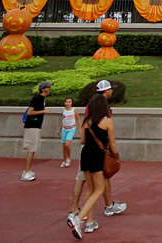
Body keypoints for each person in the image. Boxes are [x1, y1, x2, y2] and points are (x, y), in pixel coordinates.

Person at [70, 80, 126, 222]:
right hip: (97, 152)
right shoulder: (104, 117)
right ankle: (77, 215)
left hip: (87, 151)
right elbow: (111, 141)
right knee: (96, 188)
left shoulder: (88, 117)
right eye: (110, 90)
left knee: (91, 188)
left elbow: (82, 138)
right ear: (105, 91)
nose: (112, 92)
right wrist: (115, 154)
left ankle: (89, 219)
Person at [21, 80, 52, 181]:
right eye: (48, 87)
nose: (49, 89)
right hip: (32, 126)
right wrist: (44, 111)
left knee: (33, 149)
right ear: (43, 89)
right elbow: (30, 112)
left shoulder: (42, 99)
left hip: (36, 126)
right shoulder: (37, 98)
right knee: (31, 149)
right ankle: (25, 172)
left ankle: (27, 170)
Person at [58, 97, 82, 167]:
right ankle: (64, 160)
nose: (67, 103)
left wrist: (80, 128)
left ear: (71, 103)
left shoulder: (74, 110)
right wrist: (59, 129)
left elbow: (78, 119)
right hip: (64, 129)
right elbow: (63, 121)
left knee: (67, 144)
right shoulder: (64, 111)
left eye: (69, 102)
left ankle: (69, 157)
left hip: (71, 129)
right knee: (64, 145)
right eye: (66, 102)